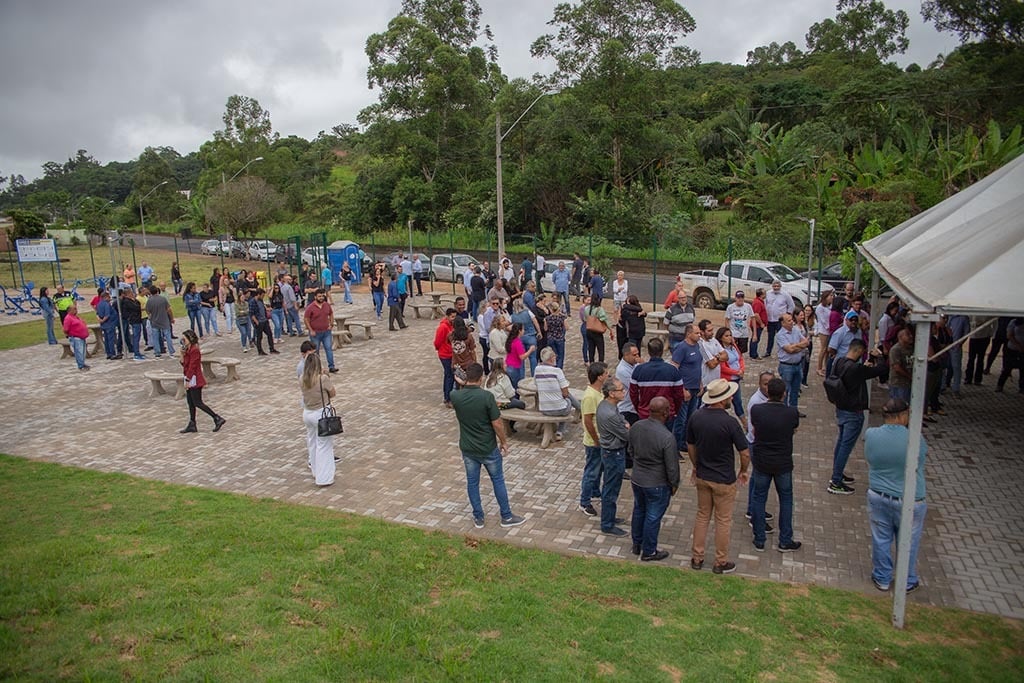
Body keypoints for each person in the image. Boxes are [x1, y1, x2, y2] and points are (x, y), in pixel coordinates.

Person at [451, 363, 526, 529]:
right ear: (481, 378)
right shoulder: (486, 397)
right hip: (487, 446)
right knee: (497, 480)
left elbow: (457, 391)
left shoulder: (456, 396)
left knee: (472, 483)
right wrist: (504, 442)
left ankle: (478, 517)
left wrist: (462, 383)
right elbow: (497, 424)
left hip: (468, 448)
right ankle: (506, 516)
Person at [686, 379, 750, 574]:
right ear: (723, 400)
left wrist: (696, 466)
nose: (731, 397)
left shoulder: (696, 417)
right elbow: (744, 452)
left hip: (703, 477)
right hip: (724, 479)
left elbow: (690, 445)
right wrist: (743, 470)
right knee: (723, 520)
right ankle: (720, 561)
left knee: (702, 515)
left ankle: (697, 557)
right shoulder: (730, 423)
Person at [864, 398, 927, 593]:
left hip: (878, 494)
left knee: (881, 538)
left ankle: (882, 577)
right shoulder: (915, 438)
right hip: (909, 499)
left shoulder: (871, 434)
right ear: (901, 415)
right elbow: (919, 461)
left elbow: (870, 458)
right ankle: (907, 579)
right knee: (908, 541)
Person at [749, 378, 801, 553]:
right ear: (784, 394)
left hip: (762, 460)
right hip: (783, 463)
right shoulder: (792, 413)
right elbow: (794, 430)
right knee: (786, 500)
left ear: (768, 392)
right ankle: (785, 539)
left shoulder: (757, 411)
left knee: (759, 497)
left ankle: (759, 538)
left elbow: (755, 431)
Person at [828, 339, 885, 495]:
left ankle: (837, 473)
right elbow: (880, 370)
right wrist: (879, 356)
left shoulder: (839, 362)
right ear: (860, 351)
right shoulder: (856, 369)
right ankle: (836, 480)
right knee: (845, 446)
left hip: (841, 409)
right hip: (853, 412)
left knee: (841, 443)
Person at [628, 396, 680, 562]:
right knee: (653, 516)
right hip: (656, 483)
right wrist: (674, 484)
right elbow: (672, 466)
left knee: (639, 510)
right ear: (666, 412)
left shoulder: (636, 426)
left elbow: (630, 450)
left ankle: (637, 544)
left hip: (637, 478)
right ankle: (649, 551)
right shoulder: (667, 437)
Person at [596, 377, 630, 536]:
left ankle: (609, 516)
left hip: (612, 453)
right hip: (613, 454)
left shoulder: (608, 405)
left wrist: (624, 424)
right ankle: (607, 524)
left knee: (611, 487)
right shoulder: (609, 413)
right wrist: (626, 427)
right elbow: (626, 434)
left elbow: (622, 420)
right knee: (611, 489)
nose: (623, 392)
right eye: (620, 390)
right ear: (611, 393)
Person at [178, 329, 226, 434]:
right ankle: (192, 423)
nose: (183, 341)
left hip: (194, 379)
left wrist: (187, 380)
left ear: (189, 339)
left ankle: (216, 418)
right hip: (189, 377)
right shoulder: (188, 349)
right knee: (190, 402)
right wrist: (182, 354)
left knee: (197, 402)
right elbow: (185, 364)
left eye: (184, 339)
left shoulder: (195, 350)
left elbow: (193, 366)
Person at [299, 352, 337, 486]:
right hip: (320, 413)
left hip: (307, 413)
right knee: (324, 445)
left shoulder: (302, 378)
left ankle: (315, 470)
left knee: (312, 443)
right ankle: (324, 477)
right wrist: (327, 376)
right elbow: (333, 393)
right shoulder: (322, 379)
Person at [578, 362, 608, 517]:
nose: (608, 374)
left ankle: (596, 492)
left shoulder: (599, 392)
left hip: (600, 439)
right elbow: (588, 421)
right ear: (599, 377)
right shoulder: (590, 396)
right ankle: (584, 502)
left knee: (599, 468)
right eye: (605, 373)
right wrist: (596, 440)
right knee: (591, 471)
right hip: (594, 441)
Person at [670, 323, 703, 451]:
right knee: (681, 420)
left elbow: (697, 367)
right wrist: (682, 389)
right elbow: (674, 369)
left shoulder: (697, 346)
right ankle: (676, 445)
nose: (699, 335)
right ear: (688, 334)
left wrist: (700, 383)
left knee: (691, 419)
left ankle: (684, 442)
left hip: (695, 387)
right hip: (686, 389)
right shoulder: (681, 348)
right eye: (697, 333)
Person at [535, 347, 580, 441]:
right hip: (559, 408)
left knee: (564, 399)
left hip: (544, 409)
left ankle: (580, 408)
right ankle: (560, 431)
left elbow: (536, 384)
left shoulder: (537, 369)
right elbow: (565, 393)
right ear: (551, 358)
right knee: (567, 400)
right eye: (555, 356)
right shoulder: (557, 371)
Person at [775, 312, 810, 417]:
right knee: (785, 390)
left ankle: (794, 411)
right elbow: (789, 350)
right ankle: (785, 412)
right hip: (786, 366)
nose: (792, 322)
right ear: (783, 323)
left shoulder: (795, 330)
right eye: (789, 321)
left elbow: (806, 342)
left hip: (798, 365)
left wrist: (795, 346)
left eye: (792, 320)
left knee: (795, 391)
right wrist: (799, 347)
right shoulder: (780, 335)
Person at [304, 288, 338, 373]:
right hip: (315, 333)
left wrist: (331, 324)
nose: (321, 298)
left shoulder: (326, 305)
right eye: (319, 296)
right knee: (316, 351)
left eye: (322, 296)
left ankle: (331, 366)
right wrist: (310, 329)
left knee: (329, 349)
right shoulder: (310, 307)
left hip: (326, 331)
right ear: (315, 297)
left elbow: (331, 313)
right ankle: (317, 368)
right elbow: (306, 319)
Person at [717, 327, 746, 420]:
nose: (729, 337)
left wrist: (742, 369)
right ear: (721, 338)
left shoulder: (734, 346)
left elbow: (740, 358)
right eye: (726, 336)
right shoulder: (720, 350)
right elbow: (723, 367)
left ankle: (744, 423)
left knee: (738, 402)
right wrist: (736, 372)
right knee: (724, 402)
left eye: (730, 335)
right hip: (728, 379)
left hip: (736, 378)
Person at [764, 280, 794, 359]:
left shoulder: (785, 294)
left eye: (777, 286)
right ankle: (768, 351)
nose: (776, 288)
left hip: (780, 320)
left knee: (781, 336)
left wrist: (787, 315)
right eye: (774, 286)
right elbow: (765, 304)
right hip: (770, 319)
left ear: (780, 286)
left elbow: (791, 305)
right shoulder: (768, 294)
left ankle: (782, 351)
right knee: (770, 336)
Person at [434, 308, 457, 406]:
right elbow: (437, 342)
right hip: (445, 354)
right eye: (452, 317)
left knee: (449, 375)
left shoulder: (452, 325)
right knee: (449, 376)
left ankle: (448, 396)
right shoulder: (443, 327)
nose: (453, 319)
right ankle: (447, 398)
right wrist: (443, 349)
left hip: (451, 353)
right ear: (447, 316)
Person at [996, 317, 1024, 394]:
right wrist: (1018, 346)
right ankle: (1000, 385)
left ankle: (1022, 387)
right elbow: (1009, 335)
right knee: (1007, 368)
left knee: (1023, 369)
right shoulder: (1013, 322)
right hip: (1012, 349)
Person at [145, 286, 174, 358]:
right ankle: (171, 351)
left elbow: (148, 311)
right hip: (164, 320)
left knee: (155, 337)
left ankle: (157, 352)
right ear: (157, 291)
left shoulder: (149, 300)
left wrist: (150, 316)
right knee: (168, 336)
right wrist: (171, 318)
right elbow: (169, 309)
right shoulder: (163, 299)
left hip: (154, 321)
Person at [697, 319, 727, 388]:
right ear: (702, 332)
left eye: (712, 330)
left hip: (716, 380)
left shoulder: (713, 340)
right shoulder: (700, 344)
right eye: (709, 331)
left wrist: (716, 358)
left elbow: (726, 356)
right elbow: (711, 364)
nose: (712, 333)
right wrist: (720, 357)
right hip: (706, 383)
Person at [504, 322, 533, 391]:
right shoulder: (517, 342)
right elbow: (522, 357)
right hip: (515, 367)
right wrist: (530, 350)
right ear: (519, 331)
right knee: (516, 388)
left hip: (508, 365)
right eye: (523, 329)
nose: (524, 331)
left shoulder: (510, 340)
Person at [583, 293, 612, 364]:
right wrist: (610, 328)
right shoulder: (599, 309)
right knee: (600, 349)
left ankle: (591, 362)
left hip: (589, 330)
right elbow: (604, 319)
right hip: (597, 331)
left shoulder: (587, 309)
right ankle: (601, 363)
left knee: (591, 348)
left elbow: (585, 318)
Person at [724, 291, 755, 356]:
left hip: (744, 333)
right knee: (732, 350)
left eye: (742, 297)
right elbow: (727, 320)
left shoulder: (748, 306)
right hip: (734, 333)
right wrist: (728, 334)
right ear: (735, 298)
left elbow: (753, 318)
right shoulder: (730, 307)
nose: (740, 299)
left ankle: (740, 363)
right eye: (738, 297)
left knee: (741, 352)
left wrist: (754, 334)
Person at [888, 328, 915, 402]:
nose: (911, 336)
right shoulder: (895, 350)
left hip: (908, 384)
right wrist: (910, 376)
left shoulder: (911, 349)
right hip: (898, 383)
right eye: (908, 335)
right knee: (899, 406)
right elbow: (897, 367)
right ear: (900, 337)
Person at [249, 289, 278, 356]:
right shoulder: (253, 302)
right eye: (262, 295)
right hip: (259, 321)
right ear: (258, 294)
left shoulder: (260, 301)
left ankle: (272, 348)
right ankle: (260, 351)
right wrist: (256, 322)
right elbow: (251, 313)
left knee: (269, 334)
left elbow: (263, 309)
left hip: (264, 320)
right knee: (259, 337)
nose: (263, 297)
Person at [449, 317, 477, 386]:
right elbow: (472, 351)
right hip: (468, 364)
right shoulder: (469, 336)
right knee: (469, 384)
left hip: (456, 365)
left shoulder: (450, 336)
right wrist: (475, 361)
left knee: (458, 384)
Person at [62, 304, 90, 370]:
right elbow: (65, 329)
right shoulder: (68, 318)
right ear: (69, 310)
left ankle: (82, 363)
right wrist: (69, 335)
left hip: (82, 337)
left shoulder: (75, 317)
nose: (76, 310)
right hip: (76, 337)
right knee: (79, 352)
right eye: (74, 309)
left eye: (76, 308)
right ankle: (81, 365)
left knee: (82, 351)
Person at [96, 290, 122, 360]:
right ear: (105, 297)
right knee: (111, 339)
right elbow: (107, 315)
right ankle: (112, 353)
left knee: (106, 339)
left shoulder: (98, 304)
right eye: (109, 297)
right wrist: (103, 320)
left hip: (104, 325)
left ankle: (108, 353)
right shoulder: (106, 304)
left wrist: (100, 320)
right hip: (109, 323)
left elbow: (97, 314)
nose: (110, 298)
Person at [814, 291, 834, 376]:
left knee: (827, 350)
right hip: (823, 330)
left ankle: (826, 366)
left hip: (829, 330)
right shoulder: (820, 308)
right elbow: (822, 320)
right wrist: (829, 327)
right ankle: (819, 367)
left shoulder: (830, 307)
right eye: (830, 296)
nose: (832, 297)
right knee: (823, 348)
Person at [544, 300, 567, 368]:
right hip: (559, 338)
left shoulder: (547, 318)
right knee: (560, 356)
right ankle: (559, 369)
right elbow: (567, 327)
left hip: (551, 338)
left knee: (553, 355)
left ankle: (553, 367)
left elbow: (545, 329)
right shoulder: (562, 318)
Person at [748, 288, 768, 359]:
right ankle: (753, 354)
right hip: (757, 325)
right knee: (755, 338)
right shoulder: (757, 303)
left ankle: (753, 353)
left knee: (756, 339)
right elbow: (756, 315)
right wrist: (761, 323)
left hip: (758, 325)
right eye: (765, 293)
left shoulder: (760, 301)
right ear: (762, 295)